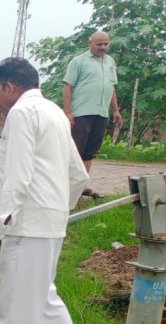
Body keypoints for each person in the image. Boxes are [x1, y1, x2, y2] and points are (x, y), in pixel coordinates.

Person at [0, 57, 102, 324]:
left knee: (16, 307)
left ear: (9, 87)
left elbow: (17, 180)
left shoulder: (22, 114)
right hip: (48, 222)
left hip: (28, 226)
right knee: (44, 301)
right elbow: (79, 175)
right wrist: (58, 208)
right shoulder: (54, 113)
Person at [63, 31, 123, 199]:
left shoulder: (110, 62)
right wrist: (68, 112)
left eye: (106, 44)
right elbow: (68, 87)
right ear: (90, 43)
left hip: (101, 113)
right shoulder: (78, 61)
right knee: (75, 150)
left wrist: (116, 111)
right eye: (99, 44)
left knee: (90, 151)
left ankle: (81, 185)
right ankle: (64, 186)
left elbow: (111, 87)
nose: (103, 47)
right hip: (81, 113)